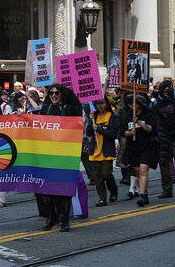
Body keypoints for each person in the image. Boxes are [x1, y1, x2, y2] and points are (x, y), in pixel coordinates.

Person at [38, 84, 83, 232]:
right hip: (47, 154)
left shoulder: (71, 109)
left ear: (62, 94)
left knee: (64, 188)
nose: (54, 95)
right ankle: (52, 215)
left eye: (57, 92)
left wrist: (83, 121)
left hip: (65, 154)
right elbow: (34, 125)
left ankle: (64, 219)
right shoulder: (45, 109)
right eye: (51, 93)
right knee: (44, 188)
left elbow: (78, 124)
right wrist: (21, 116)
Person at [121, 95, 157, 207]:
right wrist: (130, 133)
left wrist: (139, 122)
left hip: (147, 146)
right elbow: (123, 131)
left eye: (134, 103)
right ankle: (144, 192)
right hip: (133, 148)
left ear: (140, 104)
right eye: (130, 104)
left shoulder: (149, 115)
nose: (132, 106)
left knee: (143, 170)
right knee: (137, 171)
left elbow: (151, 129)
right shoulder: (127, 116)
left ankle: (141, 194)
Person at [88, 98, 119, 207]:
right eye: (97, 104)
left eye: (102, 103)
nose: (100, 106)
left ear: (107, 104)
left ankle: (113, 190)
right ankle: (102, 198)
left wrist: (99, 129)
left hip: (106, 150)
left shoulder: (112, 117)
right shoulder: (94, 116)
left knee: (106, 174)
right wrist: (90, 121)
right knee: (97, 177)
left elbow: (113, 134)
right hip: (95, 151)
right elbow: (88, 132)